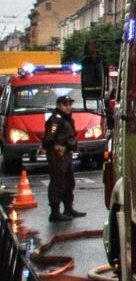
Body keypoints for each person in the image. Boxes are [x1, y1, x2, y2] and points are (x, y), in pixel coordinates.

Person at [42, 94, 84, 222]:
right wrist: (57, 148)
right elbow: (48, 139)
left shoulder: (67, 118)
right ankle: (55, 212)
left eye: (70, 104)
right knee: (57, 182)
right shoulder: (56, 119)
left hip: (66, 154)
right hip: (58, 155)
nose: (68, 107)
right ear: (59, 105)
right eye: (65, 104)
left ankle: (68, 208)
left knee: (68, 181)